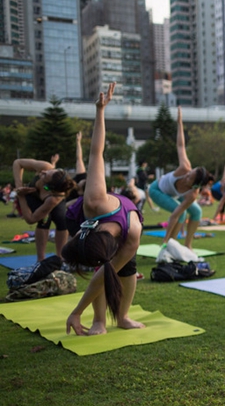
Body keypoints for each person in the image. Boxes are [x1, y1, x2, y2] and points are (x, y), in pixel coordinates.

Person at [62, 83, 144, 335]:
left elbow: (108, 270)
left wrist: (75, 311)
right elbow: (96, 152)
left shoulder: (132, 233)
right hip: (80, 219)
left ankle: (122, 316)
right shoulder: (93, 199)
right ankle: (99, 321)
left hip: (114, 225)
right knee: (99, 268)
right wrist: (100, 111)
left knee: (126, 268)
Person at [147, 107, 208, 249]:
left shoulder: (192, 194)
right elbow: (180, 145)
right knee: (181, 215)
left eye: (190, 178)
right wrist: (180, 123)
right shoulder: (184, 167)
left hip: (172, 193)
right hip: (157, 190)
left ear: (195, 185)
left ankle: (188, 245)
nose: (187, 175)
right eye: (189, 173)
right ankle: (169, 246)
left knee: (197, 212)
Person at [12, 155, 75, 261]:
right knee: (44, 221)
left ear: (49, 187)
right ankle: (40, 259)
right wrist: (19, 189)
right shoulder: (45, 167)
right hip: (32, 196)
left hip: (51, 199)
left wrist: (21, 196)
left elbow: (31, 220)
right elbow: (17, 163)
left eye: (45, 176)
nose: (43, 172)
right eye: (48, 171)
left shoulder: (54, 198)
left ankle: (60, 258)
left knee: (62, 221)